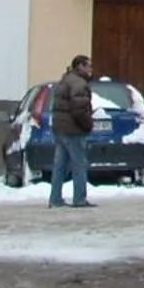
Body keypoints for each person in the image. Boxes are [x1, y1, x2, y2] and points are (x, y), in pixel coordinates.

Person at [48, 54, 96, 209]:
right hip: (73, 129)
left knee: (59, 165)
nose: (90, 69)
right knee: (79, 164)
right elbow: (79, 109)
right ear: (80, 66)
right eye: (88, 66)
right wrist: (88, 125)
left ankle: (55, 199)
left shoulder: (65, 80)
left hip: (60, 129)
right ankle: (79, 199)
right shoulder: (79, 83)